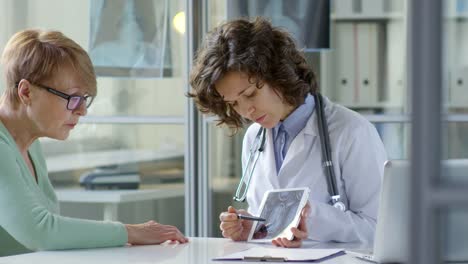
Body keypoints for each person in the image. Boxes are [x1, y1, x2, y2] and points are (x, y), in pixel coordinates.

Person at [189, 17, 387, 248]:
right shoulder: (254, 138)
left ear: (278, 74)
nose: (246, 110)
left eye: (250, 94)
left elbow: (380, 229)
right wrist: (250, 227)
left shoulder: (352, 131)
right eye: (233, 103)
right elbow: (269, 224)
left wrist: (312, 217)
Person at [0, 29, 188, 257]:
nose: (83, 110)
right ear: (26, 92)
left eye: (85, 99)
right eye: (73, 98)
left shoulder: (30, 143)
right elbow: (39, 231)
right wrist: (131, 232)